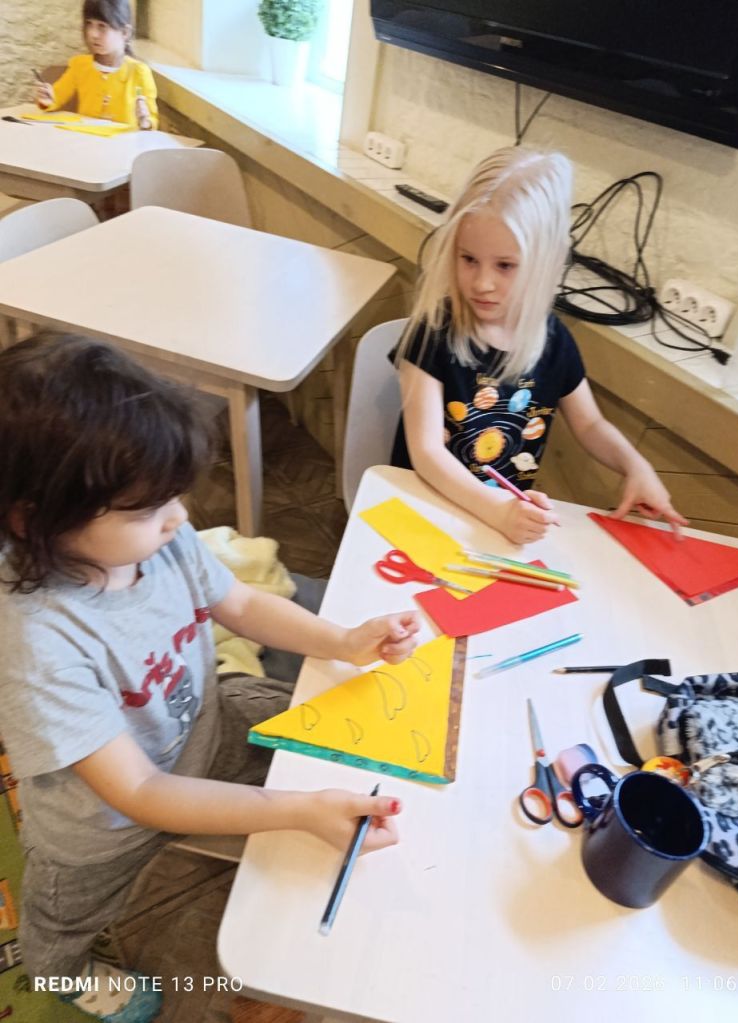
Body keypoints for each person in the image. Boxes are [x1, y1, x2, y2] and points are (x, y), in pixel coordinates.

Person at [0, 333, 419, 1023]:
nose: (181, 518)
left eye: (174, 495)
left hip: (202, 726)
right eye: (147, 509)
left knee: (316, 732)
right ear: (36, 519)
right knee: (62, 925)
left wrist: (342, 639)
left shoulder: (161, 543)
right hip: (102, 826)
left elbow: (242, 604)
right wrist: (299, 810)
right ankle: (60, 975)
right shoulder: (38, 642)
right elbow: (139, 793)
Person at [391, 147, 687, 545]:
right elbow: (427, 452)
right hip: (422, 513)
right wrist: (497, 510)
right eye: (468, 259)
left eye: (505, 265)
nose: (482, 283)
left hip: (497, 526)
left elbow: (591, 424)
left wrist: (635, 465)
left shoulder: (553, 341)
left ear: (546, 262)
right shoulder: (433, 331)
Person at [34, 0, 157, 130]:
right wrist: (47, 99)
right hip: (86, 139)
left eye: (102, 26)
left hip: (123, 141)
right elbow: (56, 98)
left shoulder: (138, 72)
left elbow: (151, 119)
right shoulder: (79, 66)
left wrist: (145, 121)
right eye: (89, 24)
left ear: (125, 32)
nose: (93, 34)